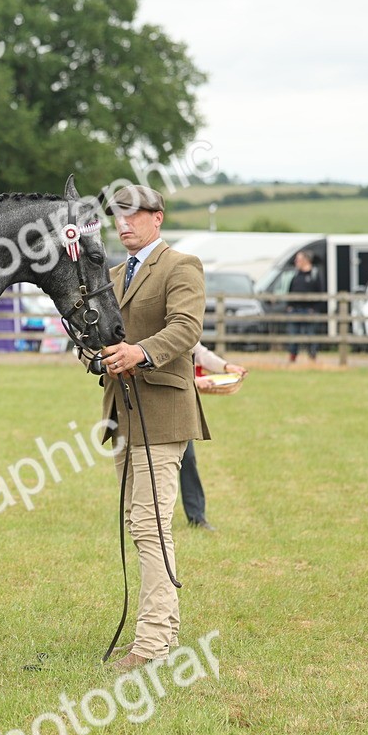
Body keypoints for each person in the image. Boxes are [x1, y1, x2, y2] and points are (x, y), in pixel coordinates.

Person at [96, 184, 209, 673]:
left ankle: (155, 644)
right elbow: (105, 336)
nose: (123, 225)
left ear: (157, 218)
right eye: (117, 217)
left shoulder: (181, 266)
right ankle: (156, 632)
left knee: (151, 526)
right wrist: (95, 354)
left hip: (163, 412)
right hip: (122, 413)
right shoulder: (114, 274)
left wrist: (139, 352)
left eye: (133, 216)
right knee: (141, 525)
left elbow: (186, 328)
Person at [180, 343, 247, 531]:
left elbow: (198, 351)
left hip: (180, 405)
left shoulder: (184, 318)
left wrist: (226, 367)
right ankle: (145, 517)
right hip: (156, 401)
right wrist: (193, 380)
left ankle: (197, 517)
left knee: (188, 458)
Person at [286, 251, 325, 362]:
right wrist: (290, 306)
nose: (296, 262)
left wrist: (315, 308)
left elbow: (320, 293)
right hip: (295, 310)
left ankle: (312, 357)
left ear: (306, 260)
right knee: (293, 336)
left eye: (298, 259)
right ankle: (292, 358)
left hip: (309, 310)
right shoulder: (296, 275)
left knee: (310, 336)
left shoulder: (314, 275)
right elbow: (290, 291)